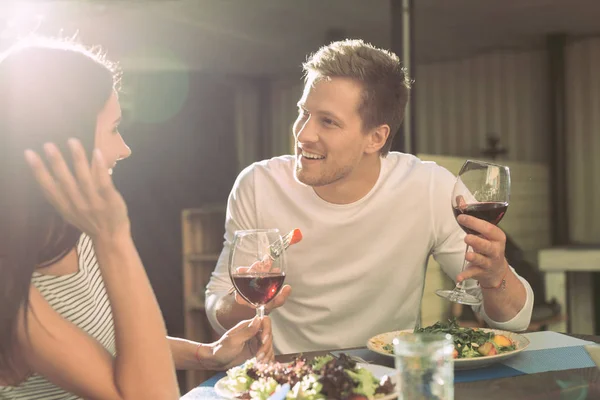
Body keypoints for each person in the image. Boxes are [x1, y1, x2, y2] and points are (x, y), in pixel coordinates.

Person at [206, 39, 534, 354]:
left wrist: (497, 275)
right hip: (289, 382)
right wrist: (243, 302)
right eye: (303, 112)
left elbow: (514, 321)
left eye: (328, 122)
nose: (303, 134)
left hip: (389, 381)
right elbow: (217, 304)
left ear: (375, 138)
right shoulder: (258, 185)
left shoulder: (428, 186)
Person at [0, 38, 273, 400]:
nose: (124, 148)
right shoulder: (11, 278)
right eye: (113, 128)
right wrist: (113, 236)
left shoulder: (77, 233)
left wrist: (206, 354)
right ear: (69, 143)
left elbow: (118, 350)